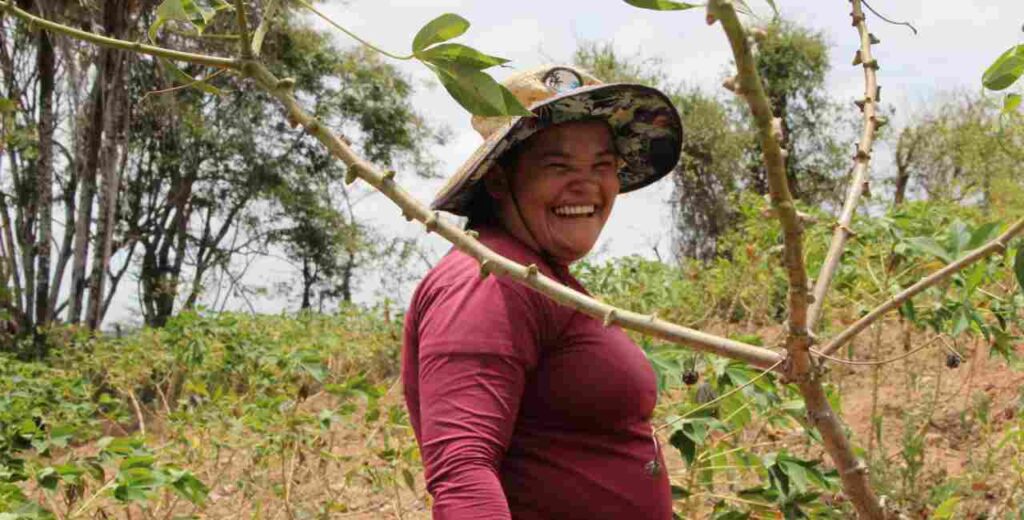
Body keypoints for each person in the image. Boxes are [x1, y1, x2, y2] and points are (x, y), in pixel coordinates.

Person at [401, 65, 684, 519]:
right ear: (498, 181)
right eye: (558, 165)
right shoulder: (488, 281)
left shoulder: (541, 278)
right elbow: (463, 471)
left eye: (602, 165)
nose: (587, 183)